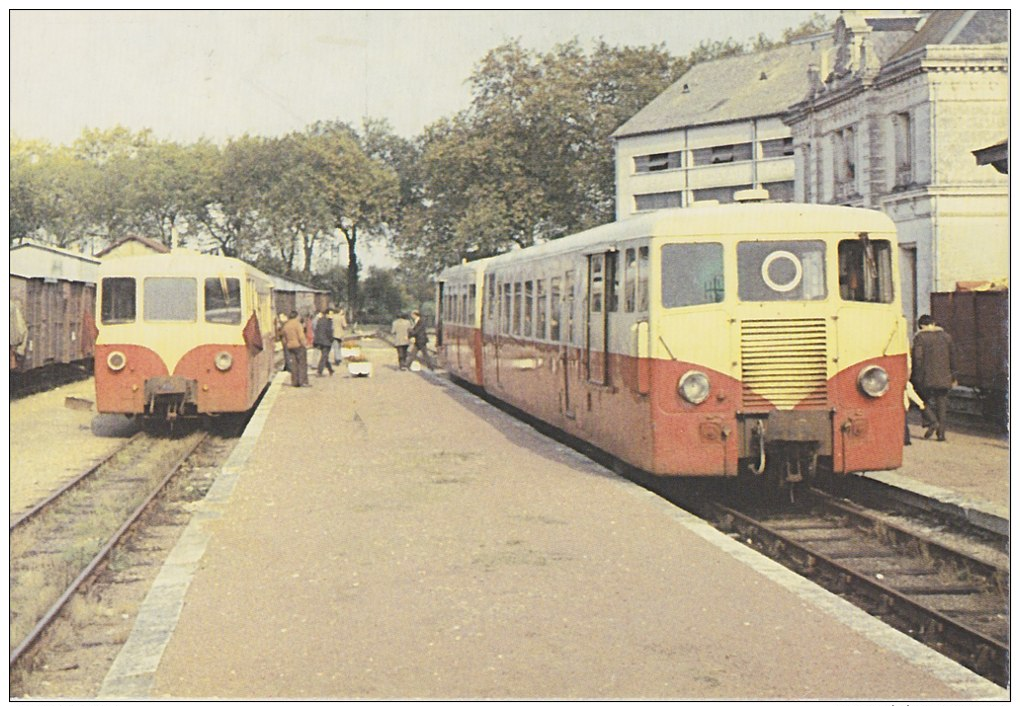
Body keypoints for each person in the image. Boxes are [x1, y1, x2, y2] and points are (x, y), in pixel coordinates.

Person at [910, 314, 957, 441]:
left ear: (922, 325)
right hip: (944, 377)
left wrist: (915, 376)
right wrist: (953, 376)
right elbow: (953, 358)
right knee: (942, 404)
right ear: (933, 323)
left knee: (921, 399)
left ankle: (932, 422)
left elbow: (917, 358)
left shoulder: (920, 337)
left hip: (926, 378)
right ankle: (941, 434)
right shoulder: (947, 337)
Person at [281, 310, 310, 387]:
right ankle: (303, 381)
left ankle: (295, 382)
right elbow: (301, 336)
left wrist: (287, 344)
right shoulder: (297, 324)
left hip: (290, 346)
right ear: (296, 316)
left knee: (294, 364)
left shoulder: (286, 325)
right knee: (302, 364)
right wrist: (304, 344)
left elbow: (283, 338)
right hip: (298, 346)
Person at [314, 308, 335, 377]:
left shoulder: (320, 320)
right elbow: (329, 332)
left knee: (325, 356)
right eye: (331, 314)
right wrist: (331, 339)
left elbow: (316, 330)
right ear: (327, 314)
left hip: (319, 341)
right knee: (324, 356)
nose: (332, 315)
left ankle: (330, 369)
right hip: (326, 341)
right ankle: (319, 371)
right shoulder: (329, 321)